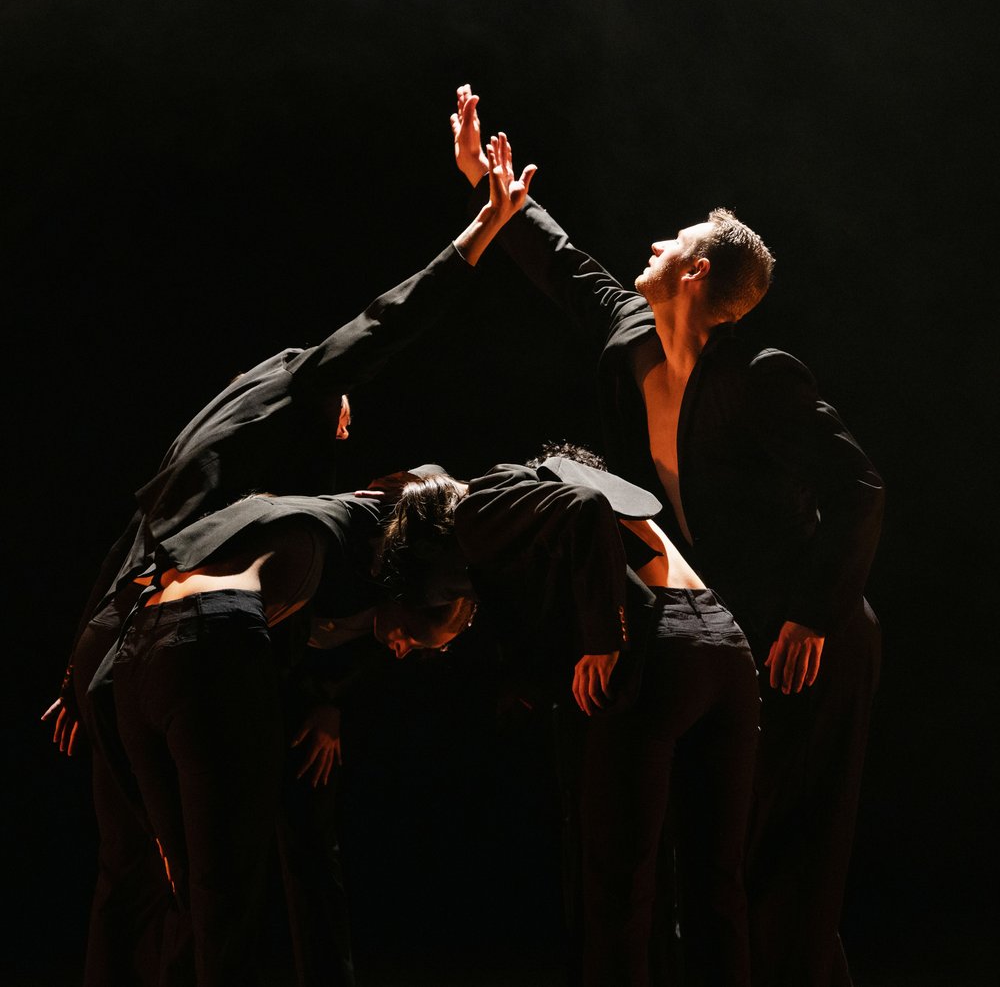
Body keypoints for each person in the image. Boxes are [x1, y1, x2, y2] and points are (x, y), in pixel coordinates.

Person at [43, 139, 536, 987]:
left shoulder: (230, 448)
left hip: (127, 630)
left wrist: (82, 663)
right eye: (341, 407)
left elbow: (153, 526)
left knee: (136, 882)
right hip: (176, 639)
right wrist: (482, 231)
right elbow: (387, 322)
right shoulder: (301, 394)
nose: (349, 418)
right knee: (201, 887)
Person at [450, 86, 884, 987]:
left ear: (695, 276)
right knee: (723, 850)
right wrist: (503, 201)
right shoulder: (629, 340)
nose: (650, 246)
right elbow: (568, 269)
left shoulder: (760, 377)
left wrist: (812, 614)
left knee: (787, 848)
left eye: (671, 242)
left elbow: (859, 488)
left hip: (815, 636)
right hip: (733, 630)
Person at [374, 449, 760, 987]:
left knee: (617, 886)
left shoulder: (476, 512)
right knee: (717, 885)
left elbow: (584, 506)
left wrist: (604, 641)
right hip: (726, 646)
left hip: (661, 657)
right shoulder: (552, 490)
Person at [108, 486, 475, 987]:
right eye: (410, 635)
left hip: (255, 689)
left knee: (285, 856)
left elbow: (337, 670)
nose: (404, 650)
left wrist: (331, 708)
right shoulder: (343, 566)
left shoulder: (367, 635)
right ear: (403, 597)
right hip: (225, 669)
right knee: (203, 878)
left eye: (422, 650)